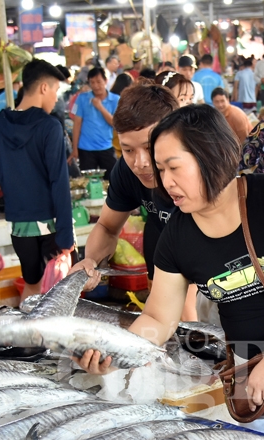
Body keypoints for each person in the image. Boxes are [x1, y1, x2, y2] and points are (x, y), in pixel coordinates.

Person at [76, 105, 264, 440]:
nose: (165, 181)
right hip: (250, 361)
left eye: (174, 167)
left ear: (210, 155)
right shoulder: (176, 238)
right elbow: (158, 319)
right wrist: (114, 349)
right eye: (161, 169)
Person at [67, 81, 198, 321]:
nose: (140, 163)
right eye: (128, 150)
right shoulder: (126, 172)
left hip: (212, 258)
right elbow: (107, 226)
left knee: (191, 324)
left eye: (149, 148)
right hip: (160, 243)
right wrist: (90, 260)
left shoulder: (199, 170)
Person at [0, 59, 74, 301]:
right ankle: (49, 337)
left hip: (18, 226)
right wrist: (66, 235)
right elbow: (59, 182)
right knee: (58, 292)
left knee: (32, 283)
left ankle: (28, 337)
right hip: (51, 224)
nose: (56, 99)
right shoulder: (50, 127)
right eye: (56, 91)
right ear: (44, 88)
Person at [69, 67, 120, 178]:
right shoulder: (82, 98)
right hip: (85, 149)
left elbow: (115, 124)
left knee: (113, 181)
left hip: (106, 147)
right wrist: (74, 149)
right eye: (92, 82)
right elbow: (77, 124)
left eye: (98, 82)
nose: (96, 85)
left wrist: (100, 107)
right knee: (88, 182)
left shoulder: (115, 99)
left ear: (105, 81)